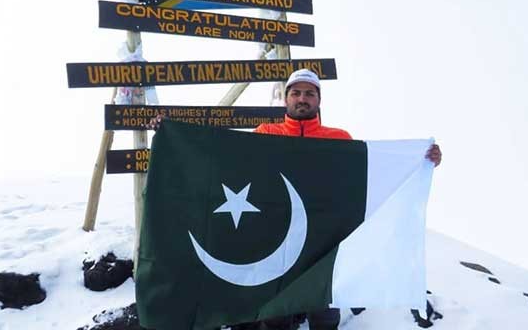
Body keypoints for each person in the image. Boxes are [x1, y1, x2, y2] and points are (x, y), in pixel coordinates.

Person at [146, 69, 442, 330]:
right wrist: (171, 136)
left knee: (325, 316)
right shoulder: (266, 134)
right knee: (275, 318)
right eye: (296, 93)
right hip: (275, 246)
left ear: (319, 100)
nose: (302, 98)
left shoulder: (340, 139)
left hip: (324, 250)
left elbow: (369, 180)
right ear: (285, 98)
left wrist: (421, 160)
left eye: (310, 93)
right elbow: (224, 161)